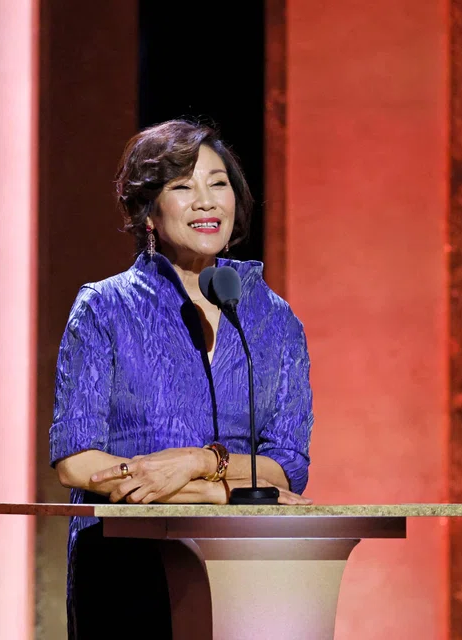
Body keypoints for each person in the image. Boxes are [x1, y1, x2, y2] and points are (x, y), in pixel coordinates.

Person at [49, 119, 314, 638]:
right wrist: (216, 492)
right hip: (126, 568)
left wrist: (197, 462)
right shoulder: (104, 309)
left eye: (218, 184)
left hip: (245, 570)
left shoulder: (273, 319)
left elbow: (286, 467)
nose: (205, 201)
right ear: (148, 210)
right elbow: (77, 461)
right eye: (181, 186)